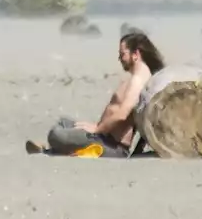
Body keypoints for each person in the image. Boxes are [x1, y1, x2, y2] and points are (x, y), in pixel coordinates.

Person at [26, 32, 164, 158]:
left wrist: (98, 128)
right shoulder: (137, 78)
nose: (119, 58)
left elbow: (122, 114)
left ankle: (54, 151)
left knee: (56, 134)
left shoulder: (138, 81)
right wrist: (96, 126)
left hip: (112, 145)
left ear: (136, 54)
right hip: (103, 136)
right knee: (64, 122)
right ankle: (58, 151)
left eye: (122, 54)